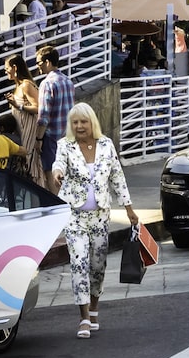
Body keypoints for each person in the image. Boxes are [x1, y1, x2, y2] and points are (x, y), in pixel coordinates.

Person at [52, 103, 140, 340]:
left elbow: (117, 177)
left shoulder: (106, 145)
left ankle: (93, 309)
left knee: (97, 265)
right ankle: (83, 318)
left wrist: (129, 208)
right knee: (79, 262)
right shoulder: (65, 146)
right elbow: (58, 164)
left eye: (84, 121)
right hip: (74, 216)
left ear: (92, 123)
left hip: (101, 216)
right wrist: (57, 173)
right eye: (75, 122)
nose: (79, 126)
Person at [34, 44, 75, 193]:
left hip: (51, 137)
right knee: (65, 173)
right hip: (68, 136)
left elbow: (43, 116)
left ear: (47, 62)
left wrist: (38, 140)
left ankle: (58, 206)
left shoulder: (47, 83)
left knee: (51, 173)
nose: (38, 67)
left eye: (39, 63)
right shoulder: (68, 81)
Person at [2, 55, 40, 146]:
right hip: (20, 130)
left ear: (14, 68)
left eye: (7, 68)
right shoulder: (18, 85)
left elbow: (38, 108)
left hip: (29, 130)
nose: (5, 71)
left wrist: (18, 106)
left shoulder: (26, 85)